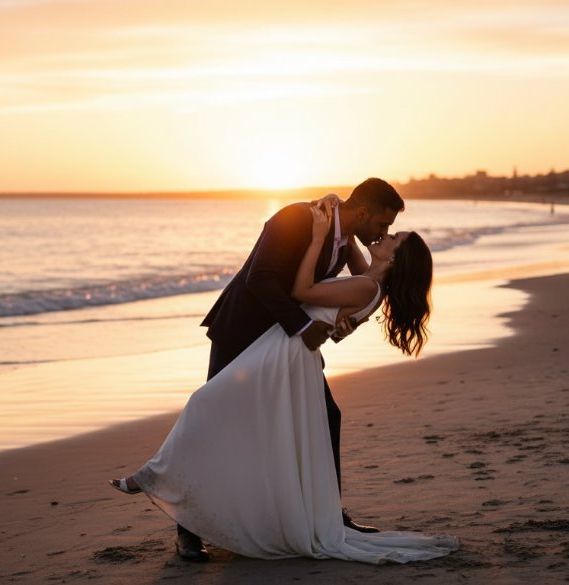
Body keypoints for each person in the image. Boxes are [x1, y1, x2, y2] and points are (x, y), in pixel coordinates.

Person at [108, 205, 457, 563]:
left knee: (208, 406)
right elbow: (353, 248)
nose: (386, 233)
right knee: (239, 417)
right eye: (386, 224)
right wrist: (341, 219)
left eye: (394, 236)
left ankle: (154, 479)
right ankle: (194, 514)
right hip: (265, 339)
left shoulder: (367, 285)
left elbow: (302, 289)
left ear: (396, 259)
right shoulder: (369, 281)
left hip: (283, 353)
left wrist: (321, 235)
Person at [165, 178, 403, 561]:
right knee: (217, 423)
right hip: (241, 333)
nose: (383, 233)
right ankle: (188, 531)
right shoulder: (295, 219)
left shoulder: (344, 239)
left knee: (326, 417)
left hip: (286, 345)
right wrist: (305, 328)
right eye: (381, 225)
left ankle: (329, 516)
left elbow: (355, 285)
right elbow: (261, 279)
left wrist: (334, 323)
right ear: (362, 213)